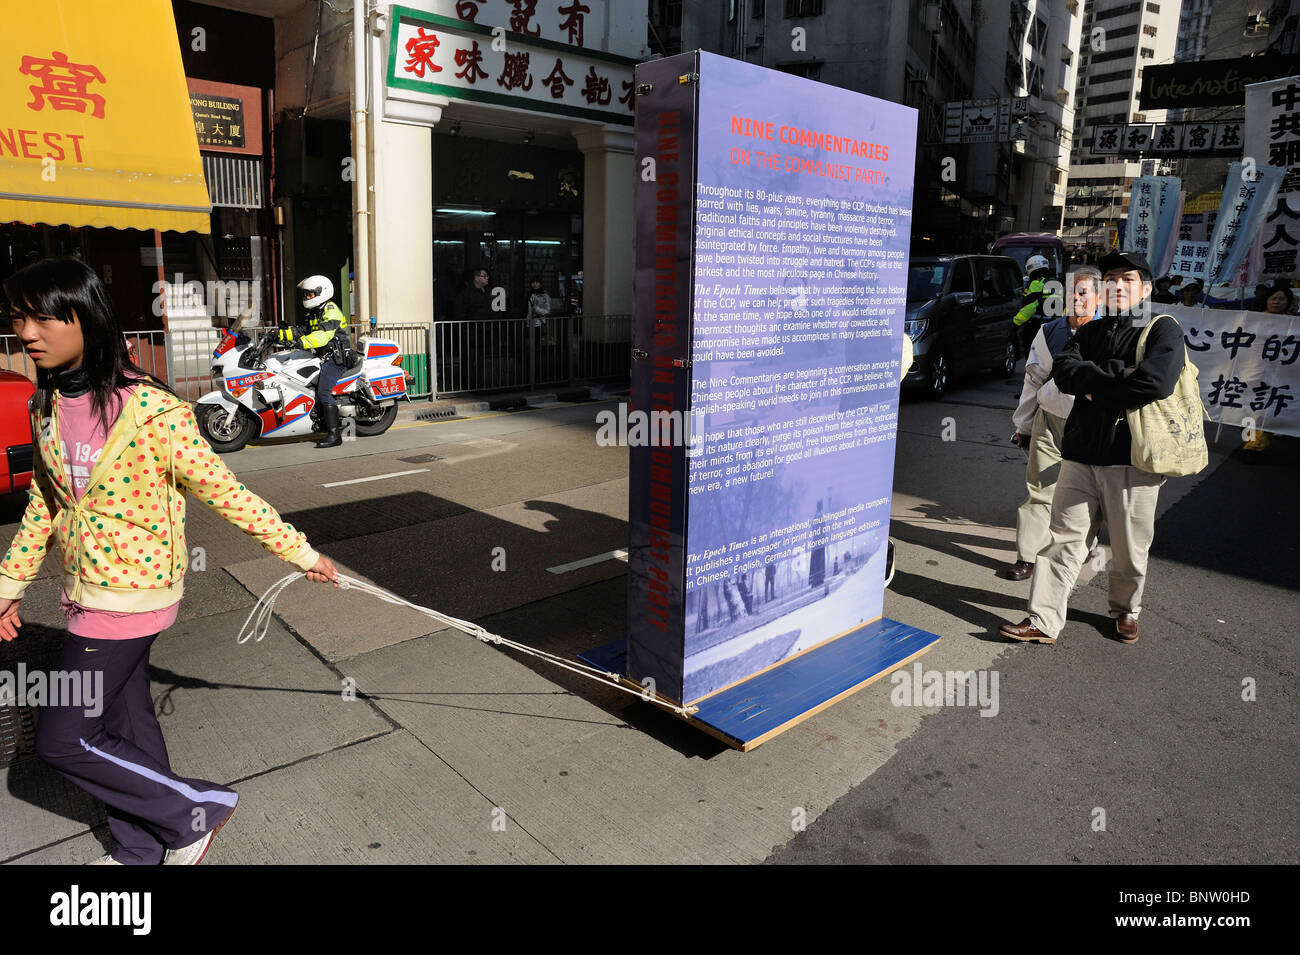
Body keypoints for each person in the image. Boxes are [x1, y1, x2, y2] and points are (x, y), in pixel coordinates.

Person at [0, 257, 339, 865]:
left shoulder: (153, 412)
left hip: (134, 593)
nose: (28, 333)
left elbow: (225, 491)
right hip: (85, 588)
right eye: (19, 317)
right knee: (130, 724)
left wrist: (299, 552)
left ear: (86, 318)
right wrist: (10, 585)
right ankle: (141, 847)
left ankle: (195, 811)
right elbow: (43, 505)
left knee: (65, 739)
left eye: (45, 317)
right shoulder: (45, 405)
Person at [1000, 251, 1185, 646]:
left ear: (1146, 289)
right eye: (1112, 278)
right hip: (1080, 453)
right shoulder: (1089, 332)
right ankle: (1043, 620)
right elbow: (1064, 374)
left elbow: (1155, 382)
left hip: (1131, 458)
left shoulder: (1162, 330)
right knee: (1062, 540)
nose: (1117, 285)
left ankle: (1125, 610)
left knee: (1129, 548)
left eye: (1127, 279)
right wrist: (1118, 378)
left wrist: (1093, 383)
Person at [1003, 266, 1102, 580]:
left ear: (1099, 298)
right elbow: (1032, 381)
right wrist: (1024, 426)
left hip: (1091, 424)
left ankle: (1082, 548)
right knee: (1040, 490)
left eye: (1083, 292)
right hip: (1050, 420)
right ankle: (1028, 556)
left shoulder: (1111, 332)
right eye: (1071, 291)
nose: (1075, 298)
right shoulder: (1050, 331)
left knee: (1086, 493)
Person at [278, 274, 354, 449]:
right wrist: (279, 334)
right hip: (322, 356)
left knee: (324, 392)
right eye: (306, 294)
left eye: (310, 294)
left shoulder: (331, 309)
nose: (307, 297)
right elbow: (300, 330)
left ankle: (335, 435)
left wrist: (301, 342)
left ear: (322, 292)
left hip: (337, 358)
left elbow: (322, 336)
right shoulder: (314, 312)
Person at [1241, 283, 1294, 454]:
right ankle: (1251, 444)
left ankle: (1255, 445)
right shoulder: (1254, 320)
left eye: (1281, 299)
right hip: (1255, 371)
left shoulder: (1293, 324)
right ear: (1267, 300)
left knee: (1269, 410)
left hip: (1280, 374)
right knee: (1254, 409)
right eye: (1274, 298)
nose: (1277, 302)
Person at [1013, 254, 1060, 358]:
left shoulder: (1036, 284)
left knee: (1033, 359)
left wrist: (1016, 323)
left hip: (1036, 328)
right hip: (1055, 327)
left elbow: (1029, 308)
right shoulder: (1056, 283)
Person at [526, 276, 551, 346]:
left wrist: (536, 309)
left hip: (538, 323)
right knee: (529, 344)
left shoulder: (544, 295)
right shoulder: (529, 294)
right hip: (528, 322)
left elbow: (547, 311)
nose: (535, 284)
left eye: (537, 282)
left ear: (540, 284)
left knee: (536, 344)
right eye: (533, 283)